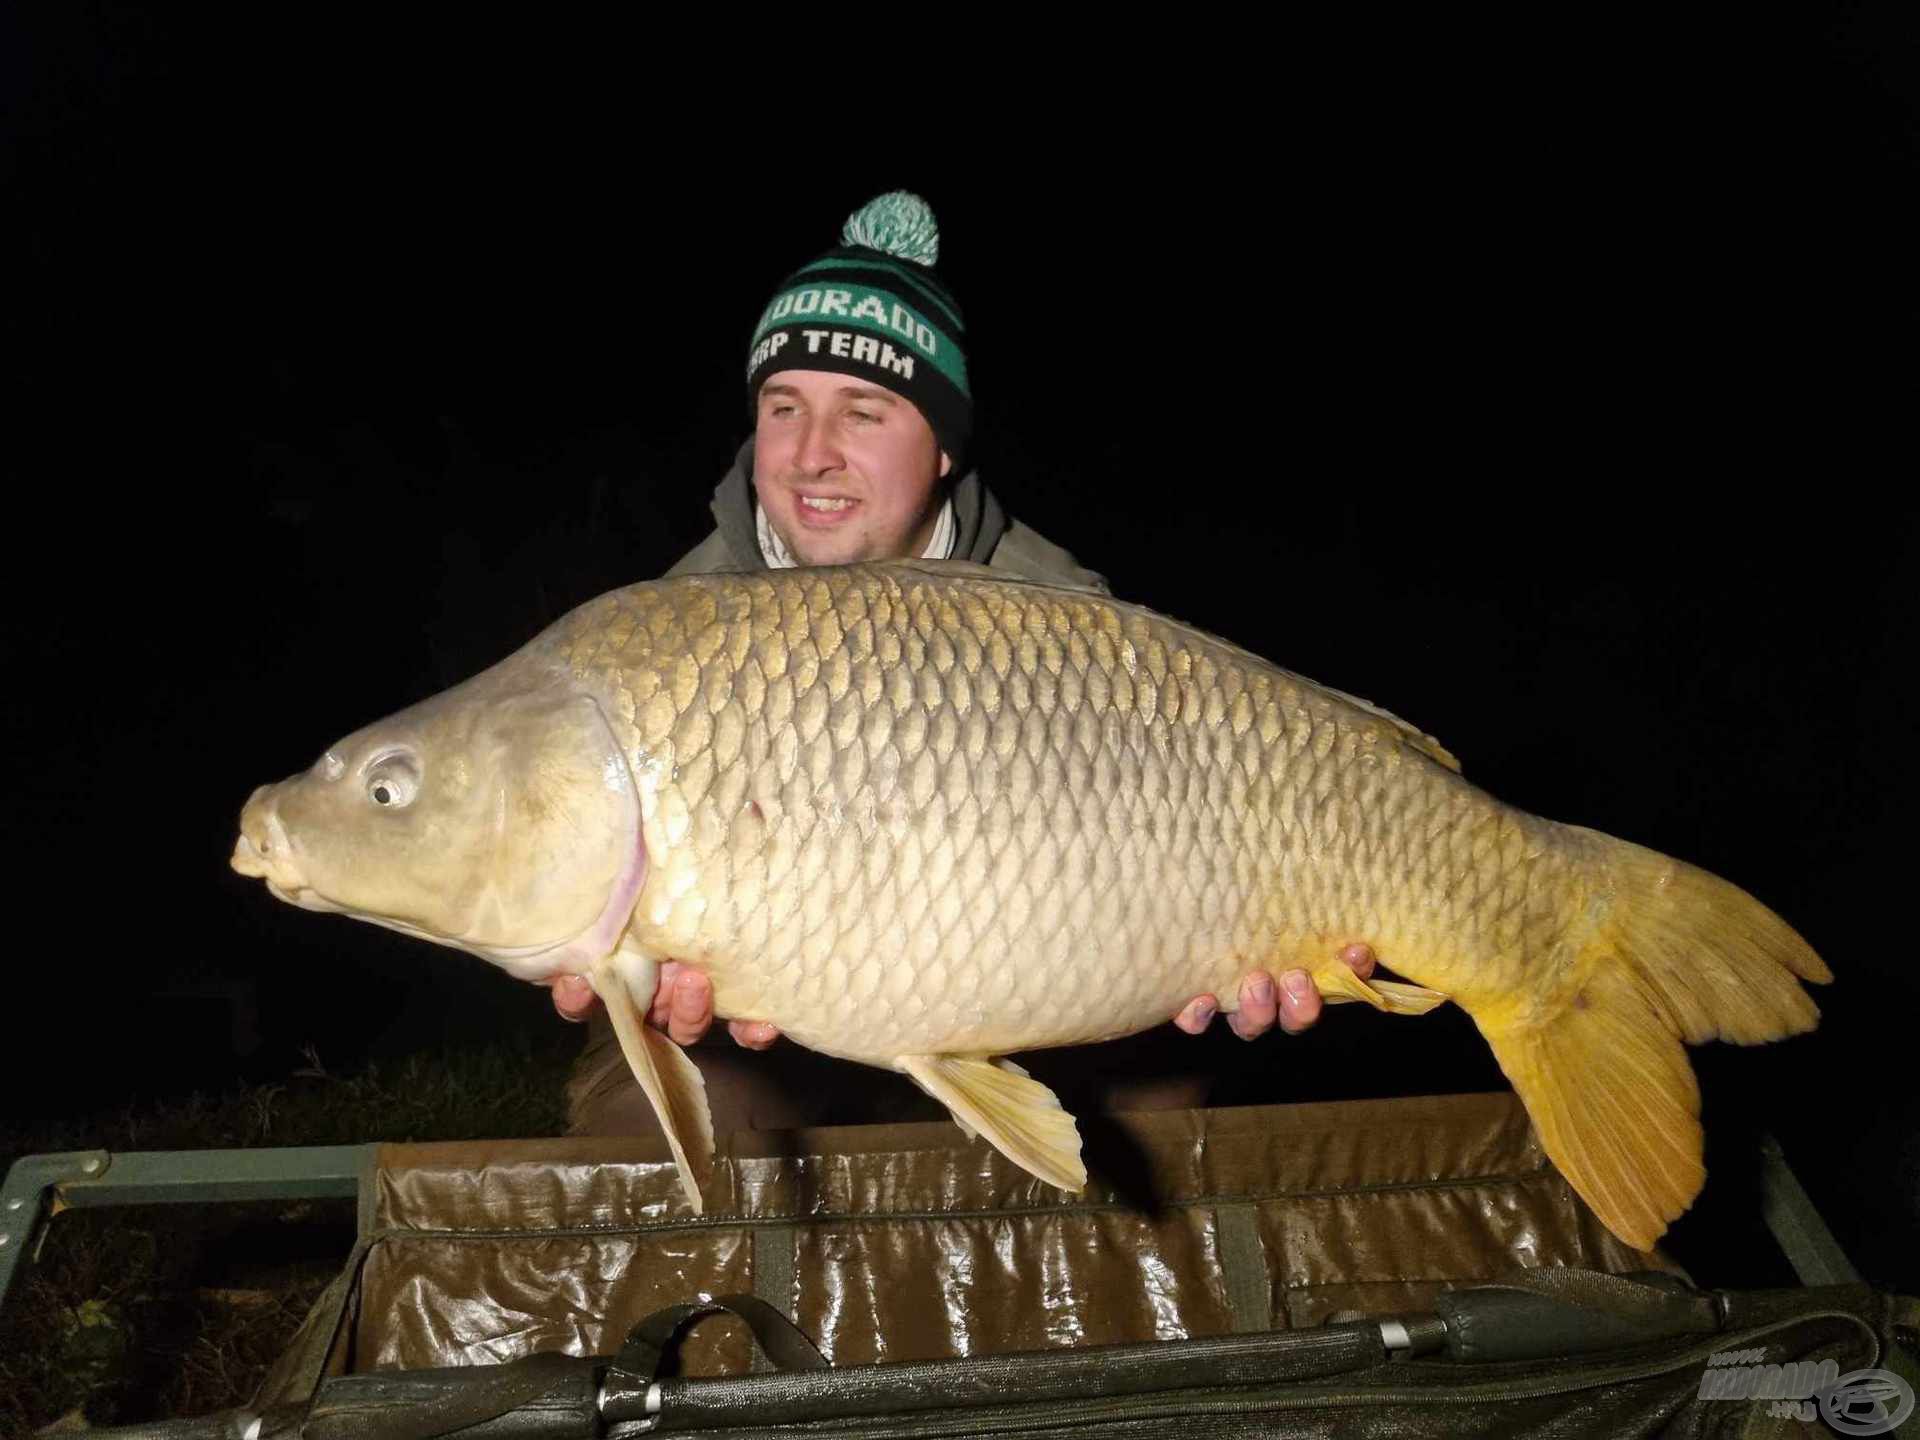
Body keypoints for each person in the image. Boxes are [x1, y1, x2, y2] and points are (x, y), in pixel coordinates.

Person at [547, 192, 1376, 1137]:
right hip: (756, 1024)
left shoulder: (1060, 610)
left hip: (1015, 987)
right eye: (784, 408)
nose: (812, 455)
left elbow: (1179, 846)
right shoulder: (672, 642)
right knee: (657, 1127)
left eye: (863, 412)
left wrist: (1241, 957)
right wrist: (623, 968)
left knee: (1160, 1095)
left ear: (941, 446)